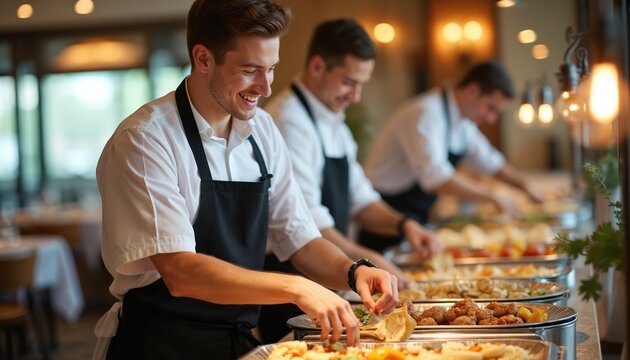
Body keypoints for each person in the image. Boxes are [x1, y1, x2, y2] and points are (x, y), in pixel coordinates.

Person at [92, 1, 399, 359]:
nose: (266, 87)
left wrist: (354, 271)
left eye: (271, 69)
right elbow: (181, 272)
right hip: (159, 345)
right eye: (251, 70)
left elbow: (299, 239)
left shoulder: (263, 130)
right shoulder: (145, 139)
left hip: (234, 341)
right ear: (204, 59)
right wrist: (296, 288)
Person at [259, 18, 437, 343]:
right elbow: (310, 225)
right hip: (292, 288)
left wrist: (404, 225)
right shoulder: (288, 121)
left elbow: (361, 199)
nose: (355, 96)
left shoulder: (335, 122)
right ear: (317, 66)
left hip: (332, 279)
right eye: (348, 82)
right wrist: (365, 262)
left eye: (361, 84)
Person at [360, 61, 543, 252]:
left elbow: (491, 162)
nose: (491, 119)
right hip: (383, 215)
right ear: (473, 90)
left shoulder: (464, 121)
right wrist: (492, 195)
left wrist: (526, 186)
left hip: (415, 215)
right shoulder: (426, 113)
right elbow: (437, 179)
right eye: (490, 108)